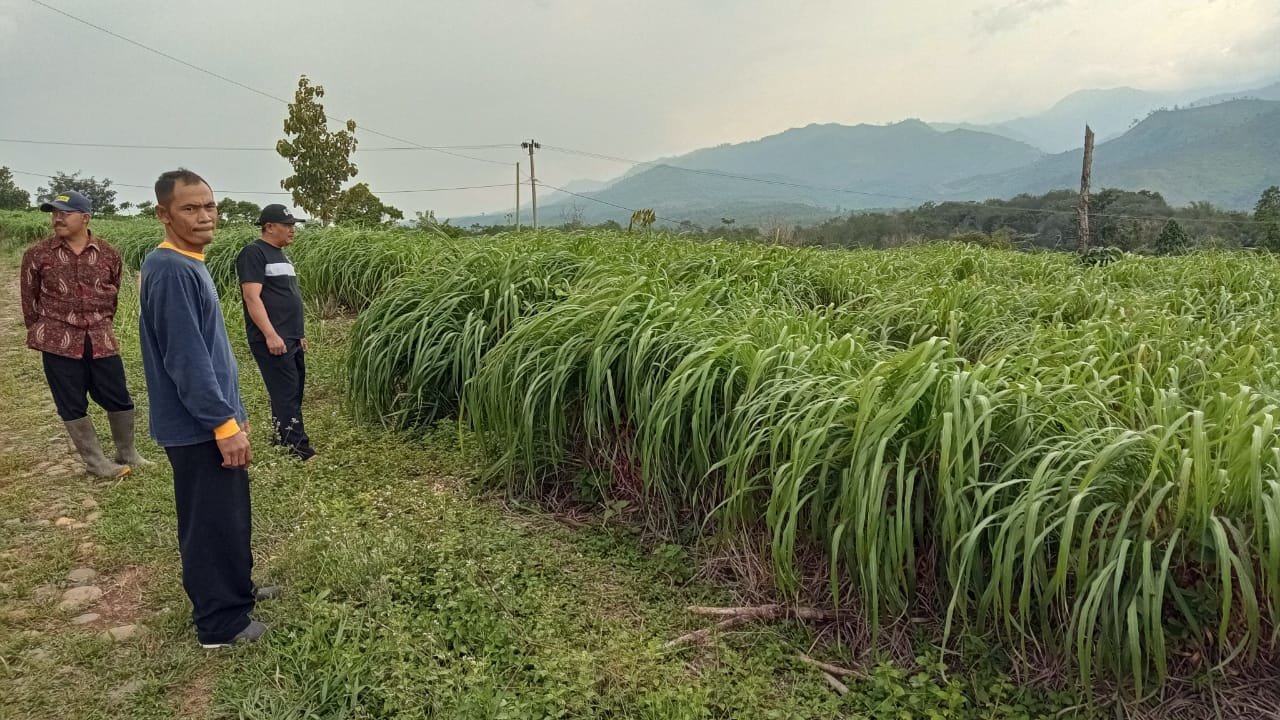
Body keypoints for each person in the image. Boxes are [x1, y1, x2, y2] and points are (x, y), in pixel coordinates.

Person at [138, 168, 273, 648]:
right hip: (197, 427)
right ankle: (220, 623)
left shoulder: (187, 263)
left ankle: (238, 591)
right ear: (164, 213)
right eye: (189, 208)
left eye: (209, 206)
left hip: (213, 420)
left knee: (229, 514)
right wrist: (221, 422)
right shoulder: (171, 269)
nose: (203, 217)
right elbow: (186, 358)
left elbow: (206, 351)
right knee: (210, 521)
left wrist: (234, 413)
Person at [20, 190, 149, 478]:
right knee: (71, 400)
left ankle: (126, 451)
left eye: (65, 213)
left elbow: (112, 296)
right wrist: (44, 333)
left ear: (85, 217)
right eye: (55, 213)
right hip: (58, 340)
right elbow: (29, 302)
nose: (57, 218)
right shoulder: (38, 255)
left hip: (100, 337)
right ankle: (95, 462)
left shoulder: (108, 254)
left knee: (118, 394)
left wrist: (101, 323)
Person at [235, 204, 315, 460]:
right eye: (287, 225)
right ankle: (298, 449)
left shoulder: (281, 255)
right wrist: (271, 334)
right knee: (286, 392)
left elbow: (286, 297)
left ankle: (284, 437)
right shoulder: (254, 253)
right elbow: (252, 297)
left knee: (294, 390)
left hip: (290, 336)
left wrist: (298, 333)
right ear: (269, 227)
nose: (292, 230)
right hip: (272, 338)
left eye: (293, 225)